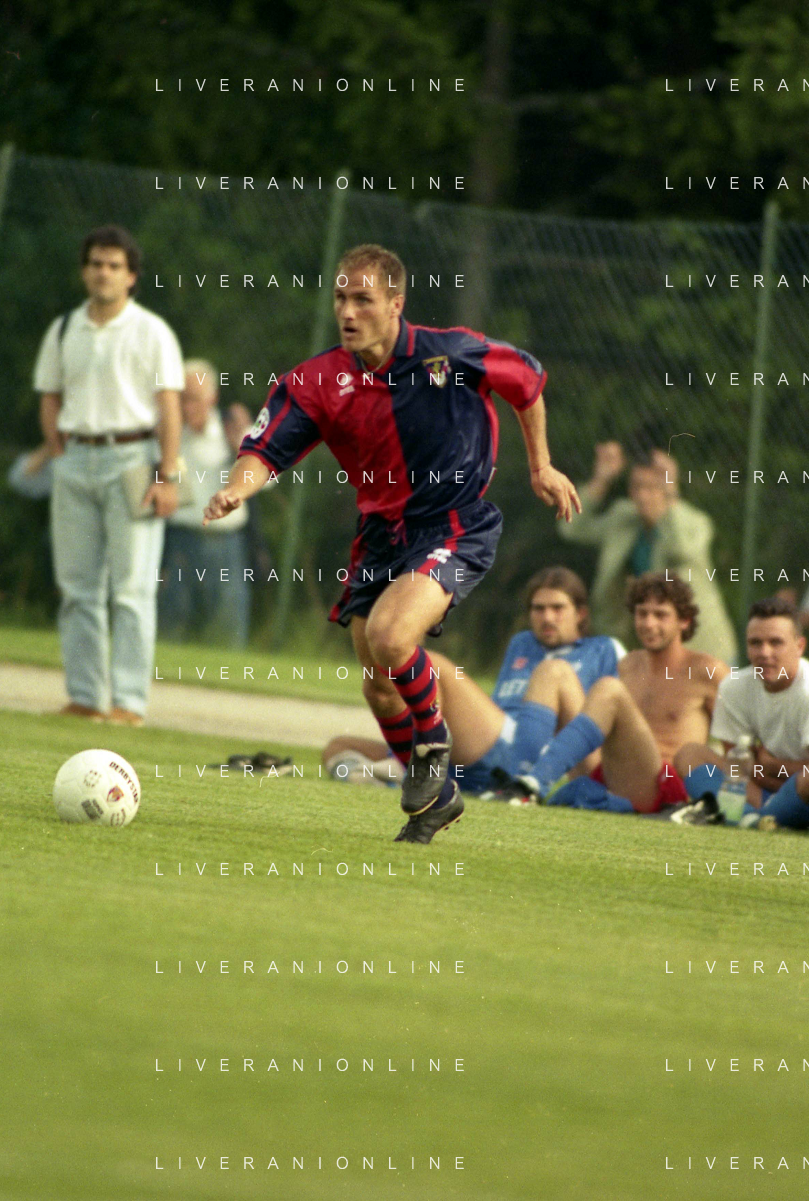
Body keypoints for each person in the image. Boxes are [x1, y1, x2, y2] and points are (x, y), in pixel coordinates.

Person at [204, 243, 580, 842]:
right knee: (379, 684)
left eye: (363, 299)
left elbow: (527, 380)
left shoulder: (449, 353)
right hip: (381, 537)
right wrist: (236, 489)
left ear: (396, 304)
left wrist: (541, 465)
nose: (347, 312)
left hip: (454, 523)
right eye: (340, 298)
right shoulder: (318, 380)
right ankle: (437, 800)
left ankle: (433, 745)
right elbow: (264, 450)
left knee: (390, 636)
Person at [34, 224, 184, 726]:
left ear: (131, 276)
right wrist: (59, 451)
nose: (103, 272)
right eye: (96, 263)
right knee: (77, 588)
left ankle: (128, 702)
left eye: (114, 265)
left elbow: (169, 406)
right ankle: (84, 697)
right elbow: (50, 395)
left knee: (131, 589)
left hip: (133, 458)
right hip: (76, 458)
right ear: (84, 271)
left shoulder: (152, 331)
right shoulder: (64, 329)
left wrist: (167, 476)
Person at [322, 565, 625, 793]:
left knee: (431, 665)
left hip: (522, 756)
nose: (547, 617)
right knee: (338, 747)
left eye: (558, 609)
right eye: (538, 609)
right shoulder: (523, 643)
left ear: (581, 613)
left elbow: (622, 712)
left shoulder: (603, 649)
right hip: (483, 747)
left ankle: (409, 767)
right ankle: (378, 780)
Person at [514, 574, 728, 813]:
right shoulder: (627, 665)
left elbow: (738, 748)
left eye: (660, 615)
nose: (649, 623)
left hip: (666, 788)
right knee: (553, 670)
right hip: (612, 777)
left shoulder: (708, 671)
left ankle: (535, 782)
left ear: (684, 621)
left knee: (609, 689)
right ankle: (517, 776)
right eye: (642, 613)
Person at [558, 442, 737, 664]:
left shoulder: (694, 522)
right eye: (637, 487)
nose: (643, 496)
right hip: (642, 643)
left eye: (652, 487)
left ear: (666, 489)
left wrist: (671, 492)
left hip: (700, 645)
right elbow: (572, 528)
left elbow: (681, 549)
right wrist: (601, 479)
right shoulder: (623, 518)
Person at [673, 596, 809, 829]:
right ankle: (754, 818)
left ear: (799, 646)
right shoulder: (734, 687)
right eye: (755, 643)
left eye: (776, 642)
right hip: (762, 790)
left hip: (801, 792)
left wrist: (772, 765)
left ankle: (747, 818)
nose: (764, 652)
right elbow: (737, 767)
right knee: (690, 754)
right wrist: (763, 770)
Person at [158, 360, 252, 645]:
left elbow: (270, 478)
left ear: (212, 398)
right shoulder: (167, 433)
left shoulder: (232, 430)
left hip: (226, 543)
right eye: (182, 399)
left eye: (194, 399)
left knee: (227, 631)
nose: (188, 407)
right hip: (178, 541)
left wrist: (239, 449)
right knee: (168, 629)